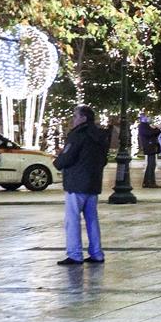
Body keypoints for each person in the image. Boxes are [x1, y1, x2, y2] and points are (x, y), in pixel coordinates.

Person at [53, 106, 110, 265]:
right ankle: (97, 252)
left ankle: (75, 253)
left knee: (72, 218)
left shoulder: (78, 135)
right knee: (92, 218)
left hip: (76, 183)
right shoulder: (100, 136)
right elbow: (103, 160)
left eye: (76, 116)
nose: (73, 119)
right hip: (93, 182)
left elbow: (67, 157)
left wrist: (58, 161)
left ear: (84, 118)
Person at [138, 115, 161, 188]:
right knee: (151, 165)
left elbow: (153, 133)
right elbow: (150, 133)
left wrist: (157, 129)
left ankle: (147, 182)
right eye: (147, 118)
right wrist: (157, 129)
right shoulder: (143, 126)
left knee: (152, 165)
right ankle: (150, 182)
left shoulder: (145, 126)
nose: (148, 119)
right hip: (149, 146)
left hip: (151, 146)